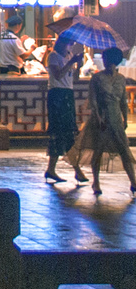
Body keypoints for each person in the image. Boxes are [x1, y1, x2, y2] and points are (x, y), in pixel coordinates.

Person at [84, 46, 136, 197]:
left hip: (115, 117)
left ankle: (133, 181)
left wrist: (125, 118)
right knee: (98, 151)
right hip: (102, 117)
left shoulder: (120, 79)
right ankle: (96, 182)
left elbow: (123, 102)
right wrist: (98, 117)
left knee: (124, 150)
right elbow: (92, 100)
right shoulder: (97, 78)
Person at [45, 36, 89, 185]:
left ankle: (51, 169)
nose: (70, 46)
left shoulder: (69, 56)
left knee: (67, 130)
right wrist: (71, 62)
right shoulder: (53, 56)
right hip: (57, 94)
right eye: (69, 43)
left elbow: (73, 78)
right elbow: (57, 76)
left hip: (67, 93)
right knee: (61, 131)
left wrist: (78, 66)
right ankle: (77, 170)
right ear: (62, 43)